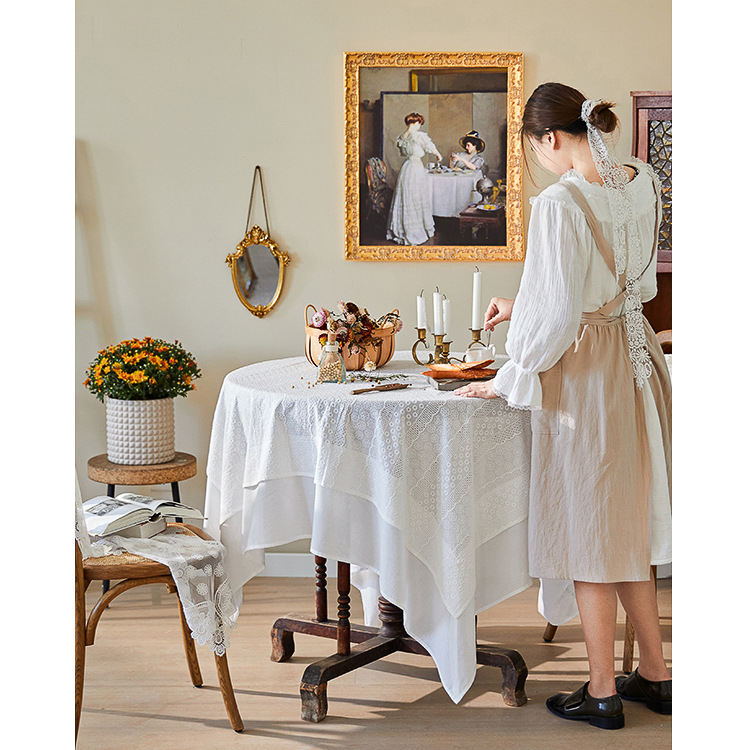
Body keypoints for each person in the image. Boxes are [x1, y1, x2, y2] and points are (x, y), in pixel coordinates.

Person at [455, 82, 672, 730]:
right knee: (628, 524)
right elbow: (627, 284)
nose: (540, 163)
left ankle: (602, 690)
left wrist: (510, 375)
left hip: (590, 373)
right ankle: (656, 675)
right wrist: (526, 304)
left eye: (535, 151)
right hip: (640, 361)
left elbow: (555, 319)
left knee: (590, 528)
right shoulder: (643, 180)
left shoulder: (559, 203)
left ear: (549, 138)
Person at [386, 112, 442, 245]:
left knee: (407, 196)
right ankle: (413, 230)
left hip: (407, 167)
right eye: (419, 124)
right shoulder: (418, 135)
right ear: (415, 123)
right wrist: (438, 155)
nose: (419, 126)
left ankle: (403, 228)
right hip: (415, 167)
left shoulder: (402, 137)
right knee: (415, 196)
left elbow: (403, 152)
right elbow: (430, 147)